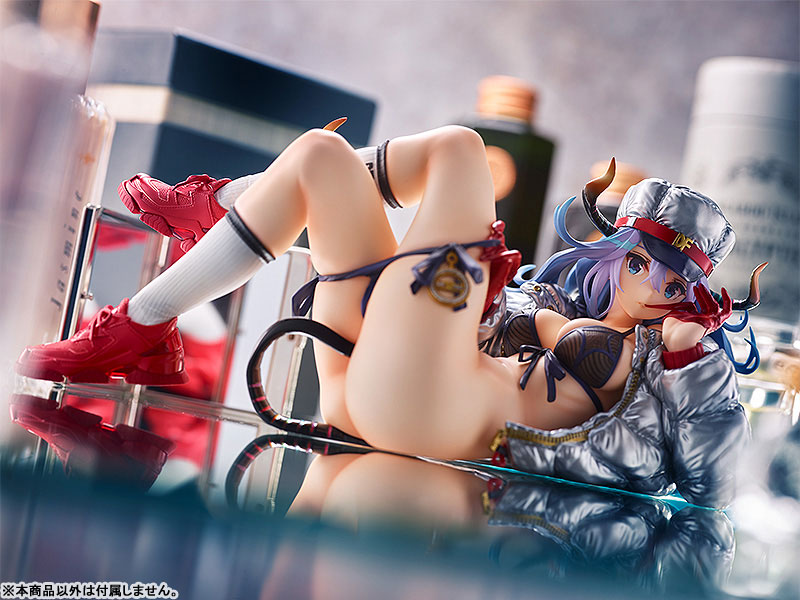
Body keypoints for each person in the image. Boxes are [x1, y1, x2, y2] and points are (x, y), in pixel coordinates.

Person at [16, 123, 763, 507]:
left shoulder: (662, 365)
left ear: (698, 297)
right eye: (639, 261)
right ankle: (145, 324)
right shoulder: (566, 300)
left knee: (462, 153)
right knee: (321, 159)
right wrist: (503, 306)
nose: (651, 285)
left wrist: (690, 355)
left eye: (673, 281)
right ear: (616, 253)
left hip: (428, 411)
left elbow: (713, 481)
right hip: (372, 394)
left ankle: (218, 209)